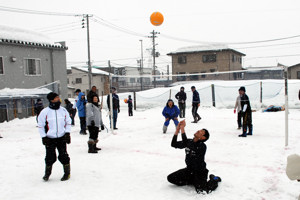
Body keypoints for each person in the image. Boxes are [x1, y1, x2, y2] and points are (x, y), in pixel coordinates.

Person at [167, 120, 221, 194]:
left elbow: (186, 143)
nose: (199, 131)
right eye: (200, 130)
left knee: (203, 191)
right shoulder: (189, 141)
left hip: (200, 172)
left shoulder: (202, 146)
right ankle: (192, 180)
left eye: (201, 132)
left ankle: (214, 179)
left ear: (203, 138)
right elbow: (173, 144)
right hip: (189, 170)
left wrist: (182, 128)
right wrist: (177, 129)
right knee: (171, 178)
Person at [37, 92, 72, 181]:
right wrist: (44, 137)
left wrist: (67, 133)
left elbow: (68, 122)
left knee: (64, 156)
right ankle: (47, 174)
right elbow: (40, 125)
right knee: (50, 157)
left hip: (61, 138)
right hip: (50, 139)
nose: (58, 99)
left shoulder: (63, 110)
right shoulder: (45, 112)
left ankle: (67, 173)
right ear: (51, 100)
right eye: (56, 98)